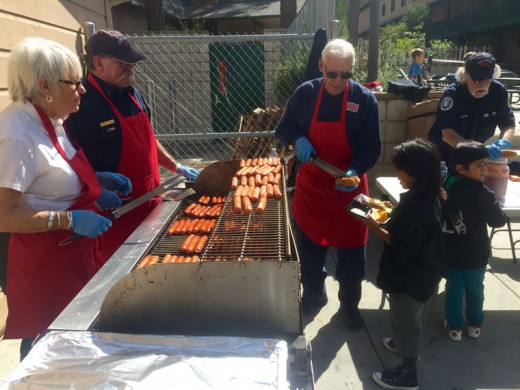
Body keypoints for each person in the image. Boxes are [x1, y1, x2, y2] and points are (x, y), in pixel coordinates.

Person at [0, 37, 130, 359]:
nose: (82, 89)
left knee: (73, 339)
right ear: (45, 86)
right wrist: (70, 218)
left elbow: (52, 173)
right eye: (74, 82)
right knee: (48, 349)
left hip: (70, 254)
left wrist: (95, 184)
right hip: (44, 264)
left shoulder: (51, 119)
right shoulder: (17, 134)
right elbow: (3, 213)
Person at [66, 29, 200, 265]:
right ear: (98, 62)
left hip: (152, 203)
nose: (131, 68)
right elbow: (68, 161)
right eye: (123, 62)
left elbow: (148, 138)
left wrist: (176, 166)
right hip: (114, 215)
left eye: (131, 62)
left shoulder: (133, 94)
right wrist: (94, 188)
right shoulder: (82, 105)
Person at [275, 39, 381, 330]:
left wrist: (355, 171)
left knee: (351, 260)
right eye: (331, 73)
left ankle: (349, 306)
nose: (337, 81)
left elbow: (372, 149)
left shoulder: (365, 100)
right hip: (312, 187)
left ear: (352, 71)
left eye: (345, 75)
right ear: (321, 66)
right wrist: (297, 139)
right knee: (309, 250)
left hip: (350, 190)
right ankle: (313, 294)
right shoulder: (305, 94)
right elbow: (283, 129)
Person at [357, 139, 444, 390]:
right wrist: (390, 211)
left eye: (400, 169)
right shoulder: (427, 195)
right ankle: (403, 343)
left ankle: (408, 373)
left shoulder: (418, 206)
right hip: (425, 272)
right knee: (409, 317)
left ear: (415, 171)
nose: (396, 175)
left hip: (411, 277)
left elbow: (403, 244)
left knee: (406, 319)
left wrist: (373, 226)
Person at [442, 141, 506, 341]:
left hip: (451, 253)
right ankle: (475, 325)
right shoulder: (484, 194)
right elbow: (498, 221)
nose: (485, 169)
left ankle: (455, 328)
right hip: (477, 256)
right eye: (480, 165)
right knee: (476, 291)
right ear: (461, 168)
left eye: (486, 164)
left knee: (453, 291)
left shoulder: (446, 188)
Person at [428, 52, 515, 171]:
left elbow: (508, 124)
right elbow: (448, 135)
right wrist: (478, 150)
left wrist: (504, 141)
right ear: (465, 75)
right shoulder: (453, 94)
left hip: (475, 153)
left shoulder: (499, 91)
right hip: (446, 152)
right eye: (477, 80)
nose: (482, 85)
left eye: (487, 80)